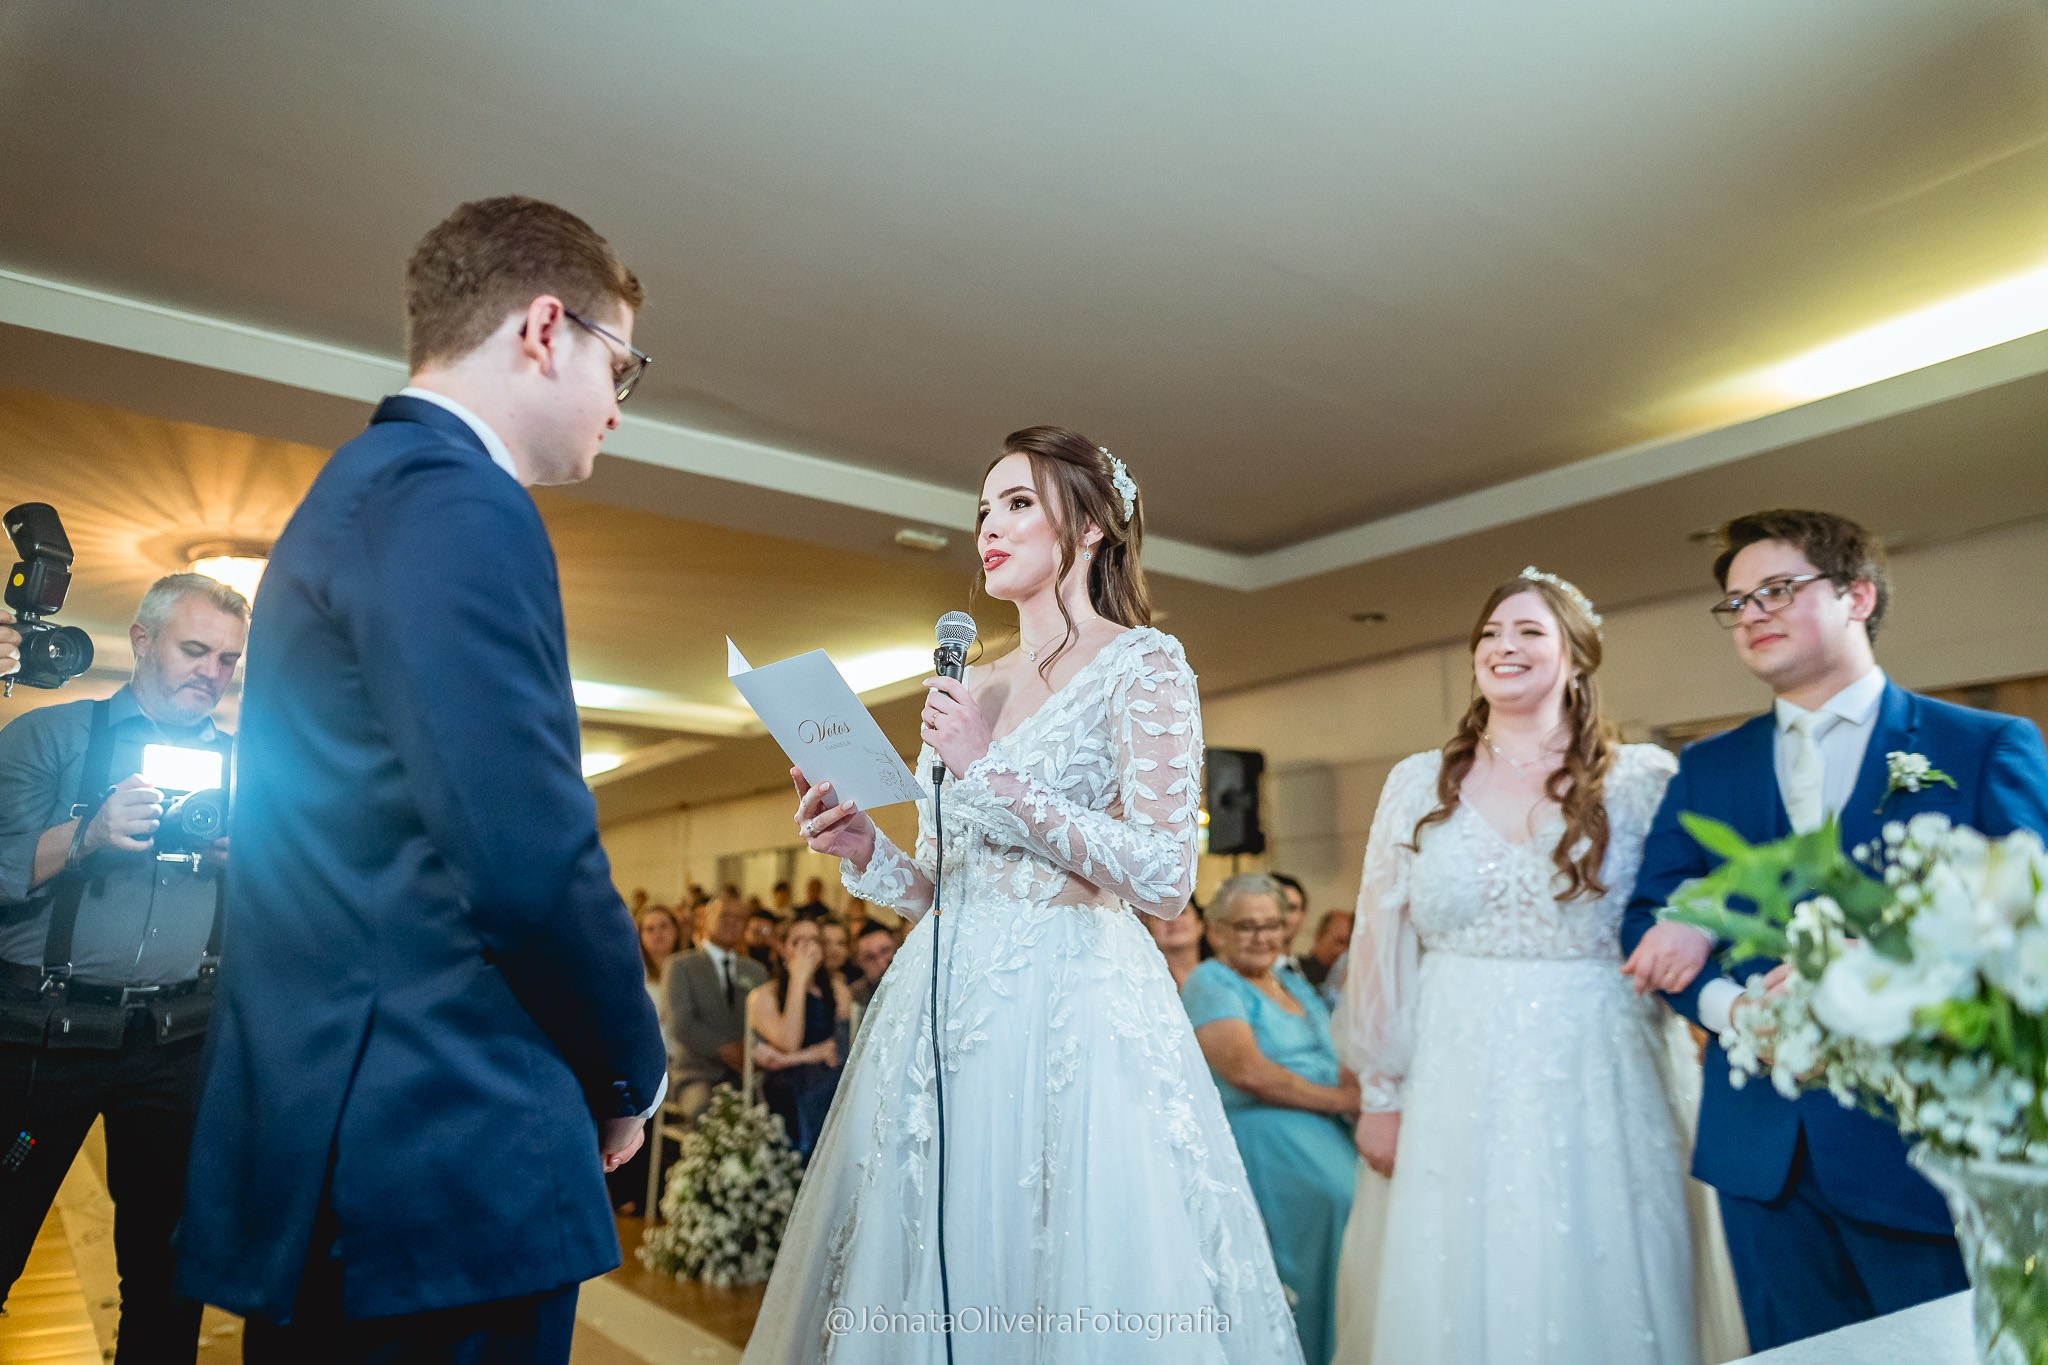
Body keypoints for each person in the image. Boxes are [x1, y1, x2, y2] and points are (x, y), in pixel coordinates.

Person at [175, 197, 668, 1364]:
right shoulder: (454, 499)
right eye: (622, 365)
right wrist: (626, 1063)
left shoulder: (368, 486)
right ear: (546, 329)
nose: (617, 406)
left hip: (357, 1127)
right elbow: (525, 855)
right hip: (435, 1132)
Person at [750, 427, 1301, 1362]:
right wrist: (861, 848)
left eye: (1016, 504)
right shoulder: (964, 686)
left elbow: (1168, 875)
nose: (988, 529)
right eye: (981, 510)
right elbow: (938, 886)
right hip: (947, 1010)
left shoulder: (1144, 664)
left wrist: (991, 768)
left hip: (1075, 1005)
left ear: (1087, 528)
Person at [1621, 510, 2048, 1352]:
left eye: (1776, 589)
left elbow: (2029, 922)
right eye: (1736, 602)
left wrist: (1893, 961)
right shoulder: (1708, 767)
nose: (1751, 613)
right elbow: (1651, 913)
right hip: (1763, 1160)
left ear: (1857, 594)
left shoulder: (1982, 743)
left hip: (1925, 1151)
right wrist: (1727, 1005)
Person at [1334, 567, 1727, 1365]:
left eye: (1528, 632)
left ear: (1577, 658)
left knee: (1608, 1251)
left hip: (1604, 1067)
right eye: (1489, 634)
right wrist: (1380, 1091)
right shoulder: (1417, 782)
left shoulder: (1644, 779)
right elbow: (1380, 941)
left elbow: (1707, 889)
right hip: (1454, 1068)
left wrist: (1695, 925)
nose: (1502, 647)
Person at [0, 574, 247, 1365]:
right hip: (41, 1037)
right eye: (195, 648)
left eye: (229, 659)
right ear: (142, 641)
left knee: (169, 1279)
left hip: (179, 1044)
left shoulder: (255, 770)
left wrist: (259, 867)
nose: (212, 672)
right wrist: (89, 832)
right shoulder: (50, 736)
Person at [1184, 875, 1359, 1365]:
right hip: (1266, 1128)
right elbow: (1248, 1071)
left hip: (1325, 1123)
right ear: (1215, 931)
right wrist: (1342, 1100)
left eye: (1271, 925)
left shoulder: (1293, 982)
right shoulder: (1211, 981)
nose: (1261, 937)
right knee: (1336, 1203)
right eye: (1245, 926)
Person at [747, 917, 851, 1160]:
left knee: (826, 1088)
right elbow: (789, 1041)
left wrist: (785, 1059)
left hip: (827, 1072)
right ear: (783, 949)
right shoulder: (763, 996)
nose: (807, 948)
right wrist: (798, 979)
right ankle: (798, 1163)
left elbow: (839, 1051)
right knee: (797, 1093)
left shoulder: (837, 991)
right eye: (798, 941)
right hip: (784, 1080)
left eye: (813, 940)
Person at [666, 896, 768, 1120]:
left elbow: (764, 1023)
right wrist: (728, 1050)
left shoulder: (756, 971)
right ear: (706, 920)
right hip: (696, 1073)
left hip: (746, 1072)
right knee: (707, 1112)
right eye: (724, 916)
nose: (732, 922)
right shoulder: (680, 965)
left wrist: (750, 1055)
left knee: (778, 1107)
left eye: (739, 918)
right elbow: (681, 1024)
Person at [1143, 895, 1209, 989]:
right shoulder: (1147, 985)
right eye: (1161, 915)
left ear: (1200, 924)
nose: (1173, 920)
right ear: (1149, 930)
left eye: (1181, 912)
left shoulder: (1223, 979)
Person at [1297, 909, 1352, 992]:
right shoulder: (1296, 971)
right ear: (1319, 935)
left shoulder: (1348, 983)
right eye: (1340, 942)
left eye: (1350, 945)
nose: (1345, 951)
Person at [848, 920, 896, 1010]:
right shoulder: (854, 996)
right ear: (859, 963)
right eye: (869, 958)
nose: (882, 964)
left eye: (885, 951)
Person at [1270, 873, 1309, 975]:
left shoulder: (1310, 973)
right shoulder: (1241, 974)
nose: (1284, 916)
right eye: (1278, 906)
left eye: (1291, 908)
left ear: (1303, 915)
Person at [744, 905, 778, 969]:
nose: (760, 937)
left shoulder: (775, 955)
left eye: (766, 931)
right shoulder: (735, 957)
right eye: (756, 932)